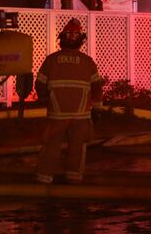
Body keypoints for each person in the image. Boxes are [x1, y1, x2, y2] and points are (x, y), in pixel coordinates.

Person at [35, 19, 104, 184]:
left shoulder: (51, 61)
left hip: (57, 116)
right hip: (81, 117)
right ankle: (74, 181)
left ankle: (43, 180)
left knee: (51, 146)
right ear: (81, 40)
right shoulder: (88, 62)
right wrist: (97, 110)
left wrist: (46, 100)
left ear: (62, 38)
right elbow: (97, 89)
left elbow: (40, 85)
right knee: (77, 149)